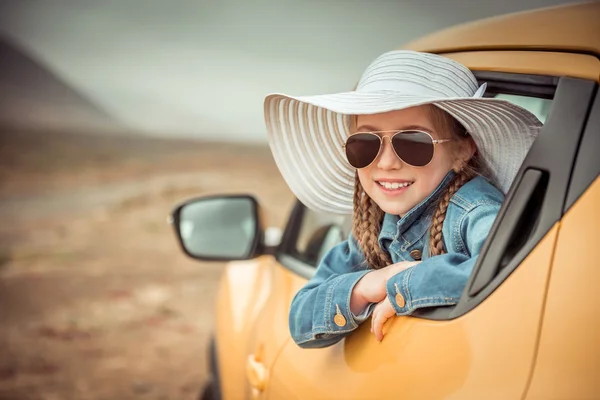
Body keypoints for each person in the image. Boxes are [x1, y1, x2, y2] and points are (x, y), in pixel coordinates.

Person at [263, 50, 542, 348]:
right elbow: (300, 318)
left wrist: (406, 285)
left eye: (412, 142)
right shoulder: (375, 228)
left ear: (463, 150)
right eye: (365, 144)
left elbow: (511, 273)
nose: (385, 163)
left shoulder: (474, 210)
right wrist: (365, 287)